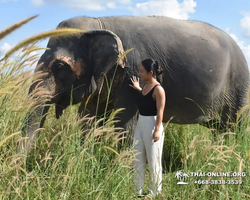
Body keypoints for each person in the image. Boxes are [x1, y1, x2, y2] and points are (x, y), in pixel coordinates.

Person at [129, 58, 166, 198]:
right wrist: (138, 88)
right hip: (140, 123)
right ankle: (137, 190)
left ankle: (154, 192)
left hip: (153, 124)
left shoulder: (159, 90)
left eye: (142, 71)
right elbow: (144, 97)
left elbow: (160, 111)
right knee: (137, 157)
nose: (140, 74)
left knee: (153, 160)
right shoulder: (145, 86)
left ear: (151, 73)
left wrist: (157, 130)